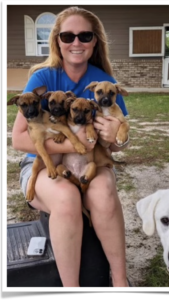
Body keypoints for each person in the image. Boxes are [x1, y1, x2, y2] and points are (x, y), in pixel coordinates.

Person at [11, 6, 130, 287]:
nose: (76, 42)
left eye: (85, 35)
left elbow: (117, 146)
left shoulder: (105, 84)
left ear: (95, 41)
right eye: (68, 36)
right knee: (67, 199)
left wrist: (117, 137)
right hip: (42, 164)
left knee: (102, 192)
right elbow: (18, 139)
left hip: (88, 158)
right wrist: (68, 144)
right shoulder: (42, 78)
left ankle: (121, 282)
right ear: (57, 41)